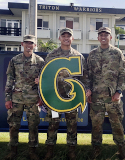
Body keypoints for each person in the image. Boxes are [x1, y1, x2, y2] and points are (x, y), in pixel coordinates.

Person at [41, 28, 90, 160]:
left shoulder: (78, 56)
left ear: (72, 39)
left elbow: (84, 77)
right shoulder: (52, 55)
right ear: (59, 38)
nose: (66, 38)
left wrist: (86, 89)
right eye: (64, 36)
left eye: (69, 36)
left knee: (72, 125)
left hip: (71, 99)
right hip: (54, 99)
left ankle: (71, 152)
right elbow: (44, 75)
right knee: (53, 124)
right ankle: (49, 151)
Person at [86, 27, 125, 160]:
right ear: (98, 38)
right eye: (101, 35)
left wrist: (119, 91)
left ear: (110, 37)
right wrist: (88, 90)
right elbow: (87, 74)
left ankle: (122, 151)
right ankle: (96, 151)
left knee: (117, 125)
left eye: (106, 35)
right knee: (96, 126)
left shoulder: (117, 53)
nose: (103, 37)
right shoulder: (92, 54)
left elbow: (124, 74)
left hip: (113, 98)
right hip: (96, 98)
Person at [4, 35, 45, 160]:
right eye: (26, 43)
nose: (29, 45)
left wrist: (41, 96)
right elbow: (10, 79)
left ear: (35, 45)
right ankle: (13, 151)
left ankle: (32, 152)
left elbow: (44, 81)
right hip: (17, 99)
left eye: (31, 43)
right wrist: (7, 98)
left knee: (33, 126)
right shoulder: (15, 60)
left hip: (33, 100)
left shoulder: (40, 61)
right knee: (13, 125)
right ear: (22, 44)